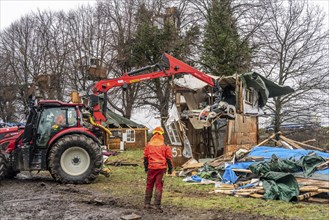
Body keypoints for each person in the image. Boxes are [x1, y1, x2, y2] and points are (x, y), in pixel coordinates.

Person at [143, 126, 173, 212]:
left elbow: (145, 157)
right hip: (161, 168)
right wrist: (170, 168)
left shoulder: (149, 144)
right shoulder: (165, 144)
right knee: (159, 186)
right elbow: (168, 157)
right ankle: (156, 205)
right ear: (162, 134)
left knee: (149, 185)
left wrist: (146, 168)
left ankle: (147, 203)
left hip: (151, 168)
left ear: (153, 134)